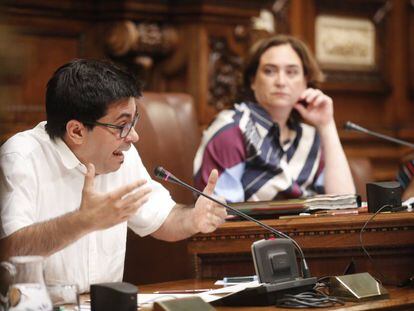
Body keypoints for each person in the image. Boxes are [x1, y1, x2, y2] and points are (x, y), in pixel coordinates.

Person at [0, 59, 227, 293]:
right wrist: (81, 221)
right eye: (122, 126)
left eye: (134, 121)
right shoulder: (21, 157)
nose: (134, 136)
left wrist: (193, 218)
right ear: (76, 131)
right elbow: (11, 250)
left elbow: (163, 218)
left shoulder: (120, 157)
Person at [194, 35, 355, 202]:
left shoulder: (310, 137)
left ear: (306, 81)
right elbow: (217, 216)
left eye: (291, 72)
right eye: (269, 71)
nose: (281, 81)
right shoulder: (231, 129)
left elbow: (344, 204)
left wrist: (327, 125)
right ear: (252, 80)